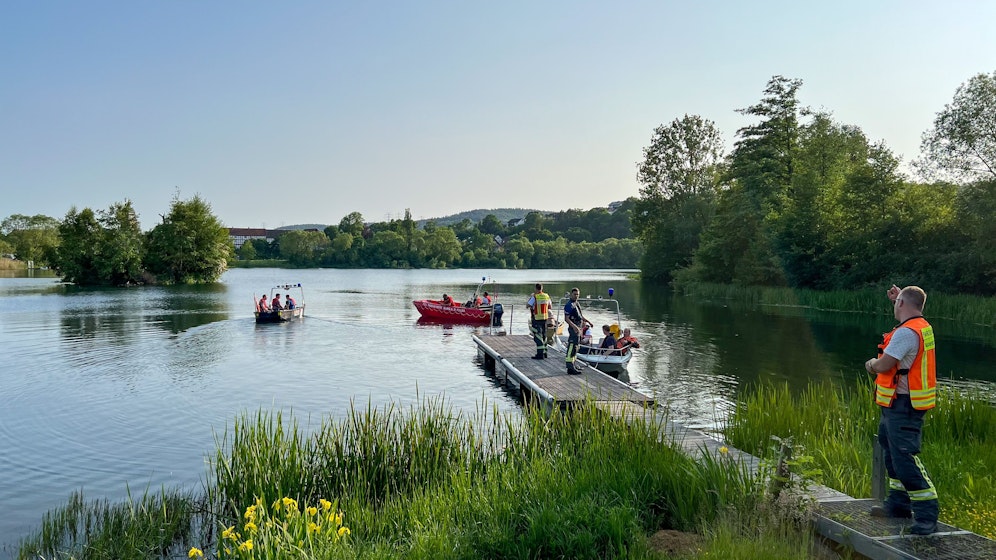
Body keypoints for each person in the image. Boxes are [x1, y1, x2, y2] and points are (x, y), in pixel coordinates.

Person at [864, 284, 938, 535]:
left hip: (905, 405)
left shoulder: (907, 333)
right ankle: (898, 504)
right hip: (898, 403)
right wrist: (900, 298)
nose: (894, 305)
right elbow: (911, 303)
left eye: (897, 302)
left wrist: (871, 365)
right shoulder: (919, 326)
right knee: (891, 453)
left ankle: (927, 513)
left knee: (904, 458)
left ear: (902, 305)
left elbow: (886, 364)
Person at [563, 287, 586, 374]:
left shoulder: (576, 303)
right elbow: (566, 318)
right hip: (574, 328)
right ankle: (570, 367)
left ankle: (573, 363)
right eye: (575, 294)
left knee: (576, 347)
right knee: (572, 346)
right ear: (571, 294)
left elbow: (580, 315)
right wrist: (574, 327)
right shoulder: (569, 305)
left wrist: (586, 321)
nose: (576, 296)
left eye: (577, 294)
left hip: (579, 327)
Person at [526, 283, 552, 359]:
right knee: (544, 335)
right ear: (542, 288)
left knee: (537, 336)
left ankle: (540, 354)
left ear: (536, 288)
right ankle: (545, 353)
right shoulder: (547, 296)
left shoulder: (535, 297)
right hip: (545, 318)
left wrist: (530, 299)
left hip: (537, 318)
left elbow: (527, 305)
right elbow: (550, 306)